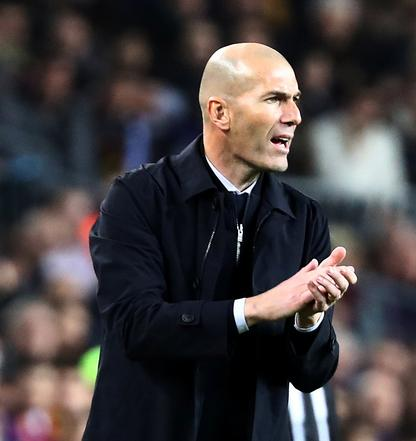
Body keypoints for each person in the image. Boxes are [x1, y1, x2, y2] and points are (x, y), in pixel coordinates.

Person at [82, 43, 357, 441]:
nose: (294, 116)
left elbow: (311, 374)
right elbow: (136, 326)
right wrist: (256, 308)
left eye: (295, 100)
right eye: (274, 99)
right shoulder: (139, 197)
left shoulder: (303, 218)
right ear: (220, 112)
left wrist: (308, 319)